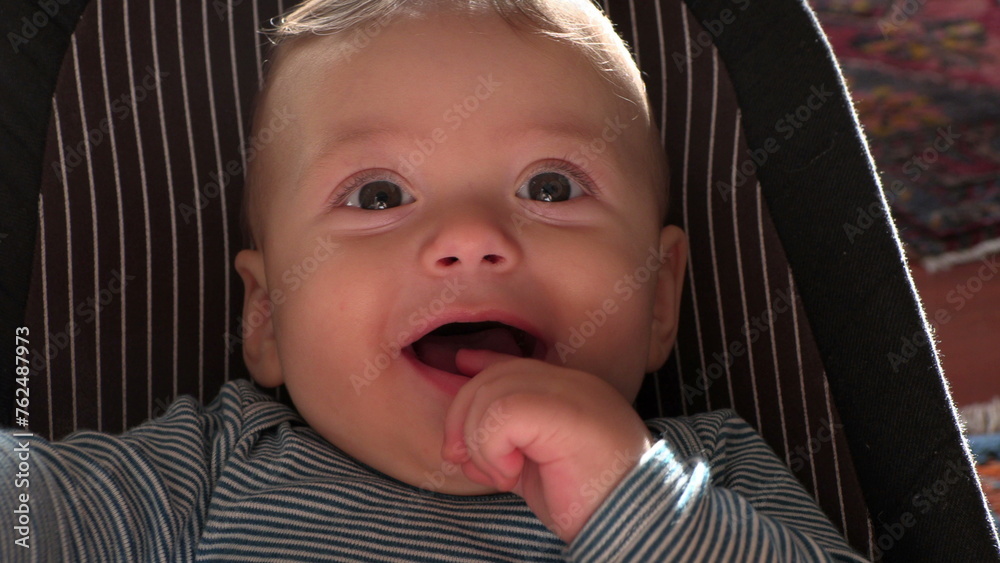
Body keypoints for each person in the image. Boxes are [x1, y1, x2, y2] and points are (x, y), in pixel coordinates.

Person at [1, 0, 867, 560]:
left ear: (660, 297)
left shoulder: (703, 478)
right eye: (379, 195)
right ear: (265, 314)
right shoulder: (201, 475)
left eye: (551, 187)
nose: (469, 237)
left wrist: (629, 495)